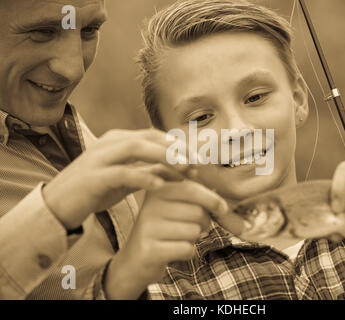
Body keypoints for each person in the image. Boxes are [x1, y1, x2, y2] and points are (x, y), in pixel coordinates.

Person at [118, 0, 345, 300]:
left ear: (298, 98)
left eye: (255, 97)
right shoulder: (157, 287)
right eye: (201, 117)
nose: (238, 130)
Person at [0, 0, 228, 299]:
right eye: (42, 32)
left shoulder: (57, 125)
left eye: (90, 30)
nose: (73, 69)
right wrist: (55, 209)